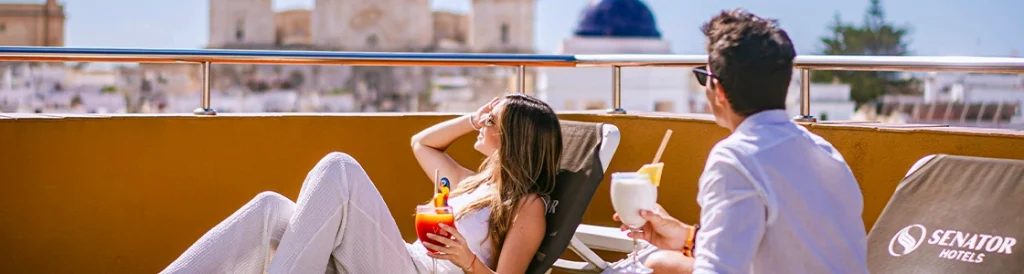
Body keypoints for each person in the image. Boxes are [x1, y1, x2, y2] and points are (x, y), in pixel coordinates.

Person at [161, 93, 562, 274]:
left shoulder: (526, 206)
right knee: (270, 208)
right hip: (402, 260)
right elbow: (421, 143)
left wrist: (466, 260)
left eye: (493, 122)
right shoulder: (469, 183)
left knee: (341, 169)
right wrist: (473, 119)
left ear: (513, 138)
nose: (484, 123)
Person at [614, 9, 870, 274]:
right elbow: (789, 247)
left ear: (720, 91)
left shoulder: (735, 159)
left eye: (705, 76)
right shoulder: (824, 151)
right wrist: (688, 238)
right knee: (661, 262)